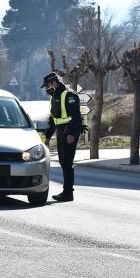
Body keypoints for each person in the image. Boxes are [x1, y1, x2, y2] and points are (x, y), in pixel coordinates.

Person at [41, 72, 82, 202]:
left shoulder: (69, 95)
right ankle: (66, 191)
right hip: (60, 132)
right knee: (63, 162)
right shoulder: (54, 97)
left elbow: (76, 117)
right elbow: (53, 119)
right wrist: (48, 137)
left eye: (47, 85)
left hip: (69, 132)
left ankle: (68, 193)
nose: (47, 88)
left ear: (54, 83)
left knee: (67, 162)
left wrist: (71, 133)